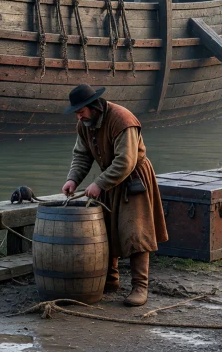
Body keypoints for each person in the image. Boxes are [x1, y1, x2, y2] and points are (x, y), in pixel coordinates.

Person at [60, 84, 169, 308]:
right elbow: (81, 155)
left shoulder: (122, 120)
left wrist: (99, 183)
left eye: (81, 111)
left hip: (133, 179)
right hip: (109, 181)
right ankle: (110, 280)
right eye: (77, 113)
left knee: (136, 232)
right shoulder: (85, 124)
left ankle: (140, 286)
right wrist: (72, 179)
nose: (79, 116)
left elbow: (125, 161)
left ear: (94, 106)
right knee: (105, 229)